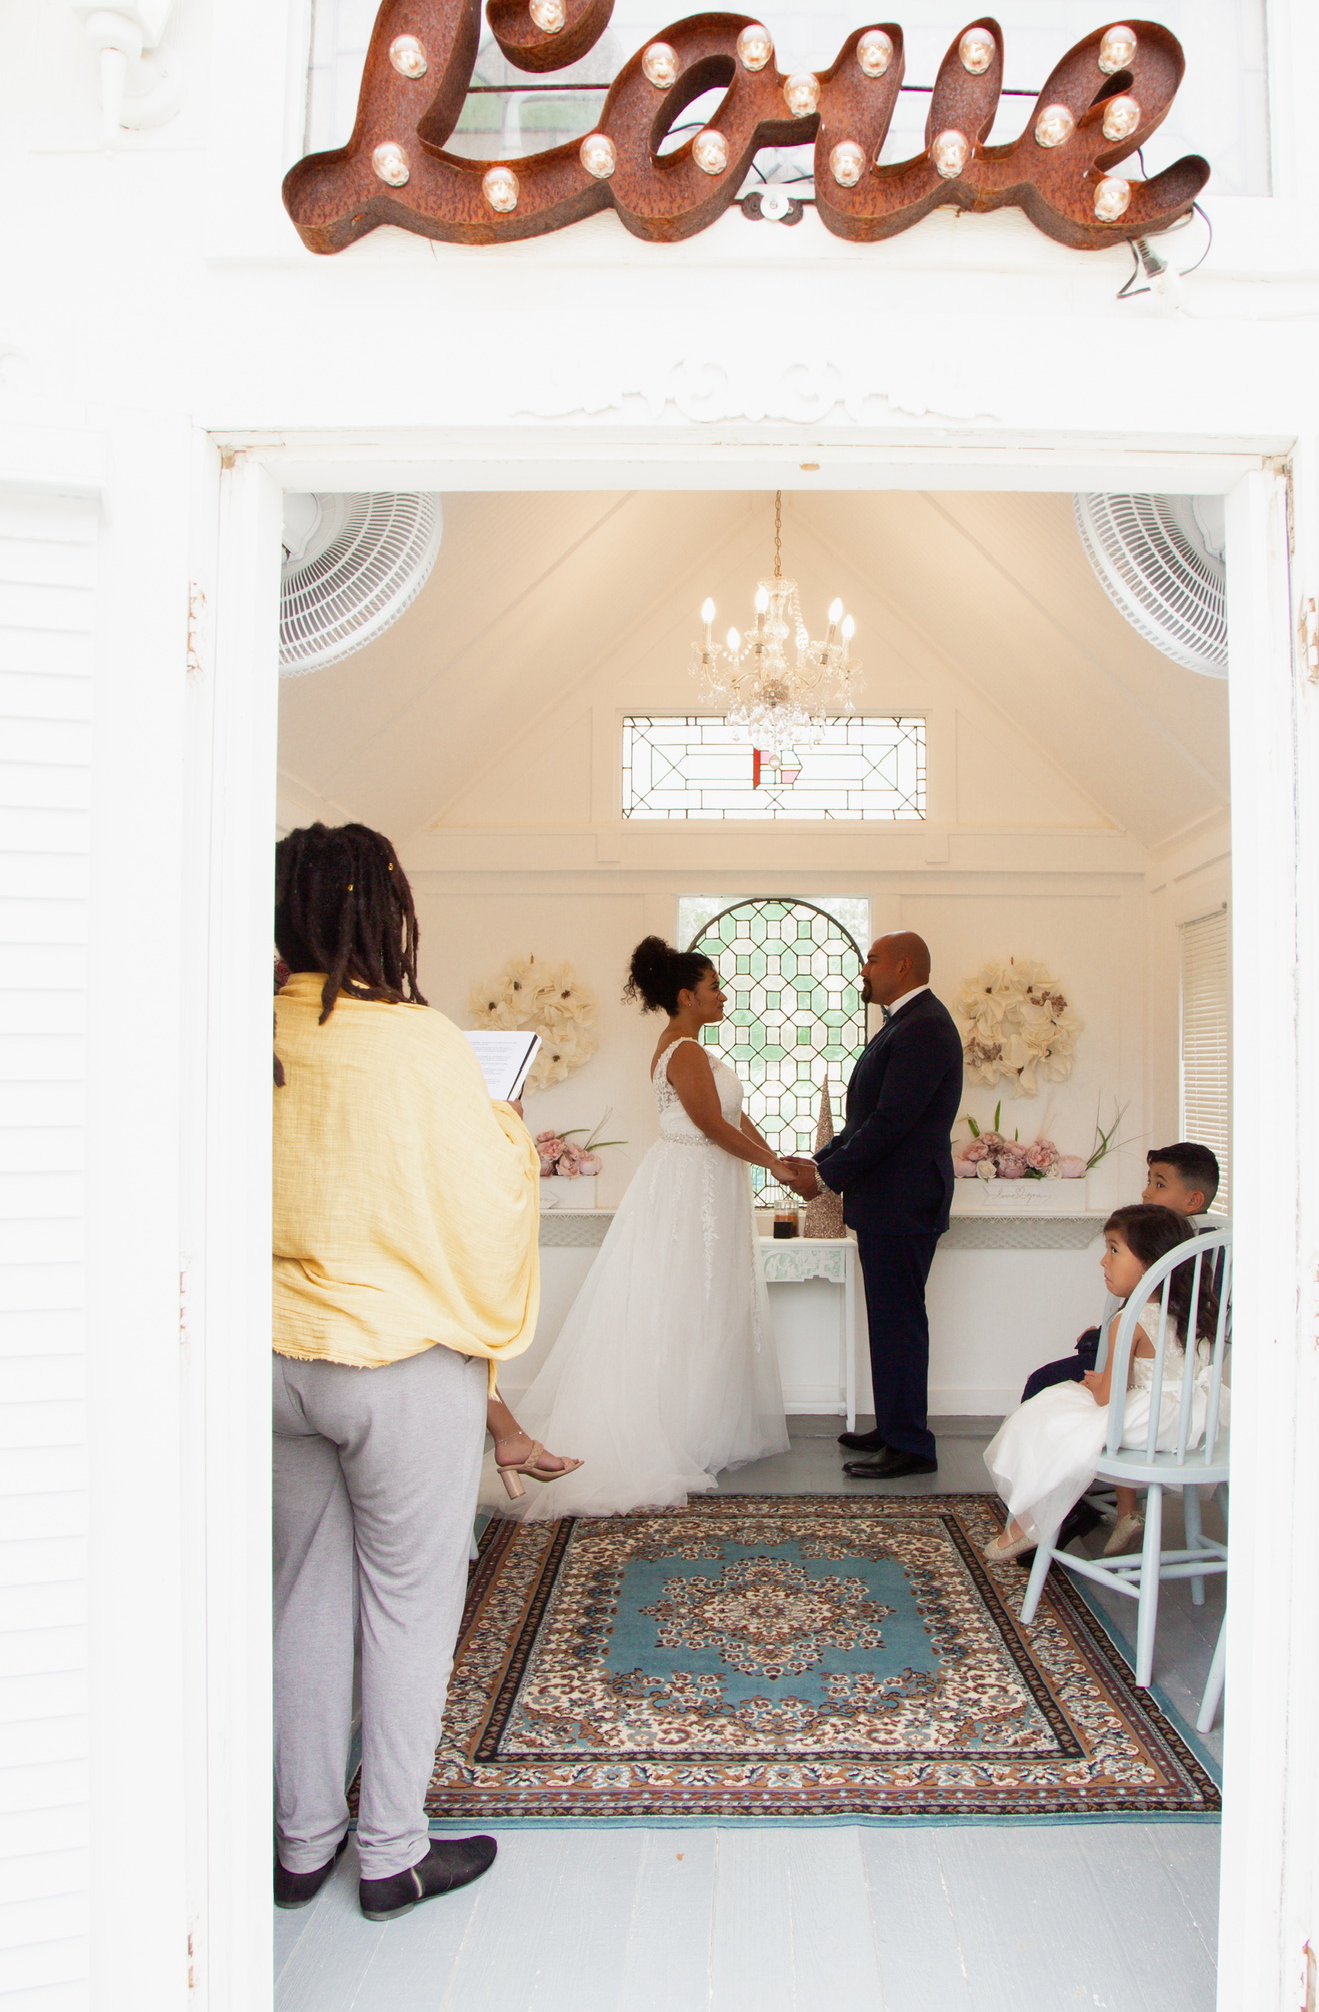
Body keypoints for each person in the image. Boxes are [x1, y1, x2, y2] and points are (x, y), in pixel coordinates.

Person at [271, 822, 553, 1923]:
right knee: (408, 1603)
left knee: (300, 1591)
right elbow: (483, 1201)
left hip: (271, 1354)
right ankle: (389, 1853)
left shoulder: (242, 1025)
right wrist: (511, 1133)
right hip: (398, 1360)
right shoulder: (421, 1041)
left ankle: (299, 1846)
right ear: (386, 916)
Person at [504, 938, 790, 1516]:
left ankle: (697, 1425)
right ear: (686, 997)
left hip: (705, 1181)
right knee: (686, 1300)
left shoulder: (691, 1050)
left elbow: (736, 1118)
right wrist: (777, 1168)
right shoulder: (683, 1051)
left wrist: (776, 1160)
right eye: (713, 988)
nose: (723, 996)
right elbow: (711, 1125)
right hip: (692, 1184)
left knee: (700, 1302)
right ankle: (671, 1432)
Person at [779, 932, 964, 1480]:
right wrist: (819, 1159)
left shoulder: (925, 1026)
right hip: (890, 1202)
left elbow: (892, 1124)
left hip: (905, 1202)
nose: (864, 968)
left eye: (873, 959)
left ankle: (909, 1443)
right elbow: (868, 1120)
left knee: (899, 1323)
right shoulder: (905, 1022)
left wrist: (825, 1178)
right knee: (890, 1321)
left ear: (903, 966)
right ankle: (892, 1427)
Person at [982, 1203, 1223, 1566]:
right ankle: (1081, 1515)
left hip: (1150, 1423)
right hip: (1195, 1423)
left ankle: (1032, 1520)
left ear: (1152, 1261)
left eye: (1113, 1250)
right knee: (1065, 1412)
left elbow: (1109, 1398)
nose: (1103, 1261)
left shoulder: (1131, 1317)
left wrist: (1094, 1384)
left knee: (1048, 1415)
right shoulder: (1193, 1312)